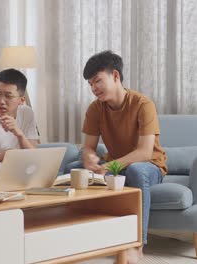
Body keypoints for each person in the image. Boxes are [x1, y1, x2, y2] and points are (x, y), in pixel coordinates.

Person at [78, 50, 167, 263]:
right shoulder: (95, 109)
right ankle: (77, 237)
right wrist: (89, 157)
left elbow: (145, 152)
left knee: (137, 169)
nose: (94, 88)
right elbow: (88, 147)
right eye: (90, 84)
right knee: (72, 168)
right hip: (117, 165)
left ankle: (137, 246)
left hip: (149, 166)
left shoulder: (143, 104)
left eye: (98, 81)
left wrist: (110, 167)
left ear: (116, 76)